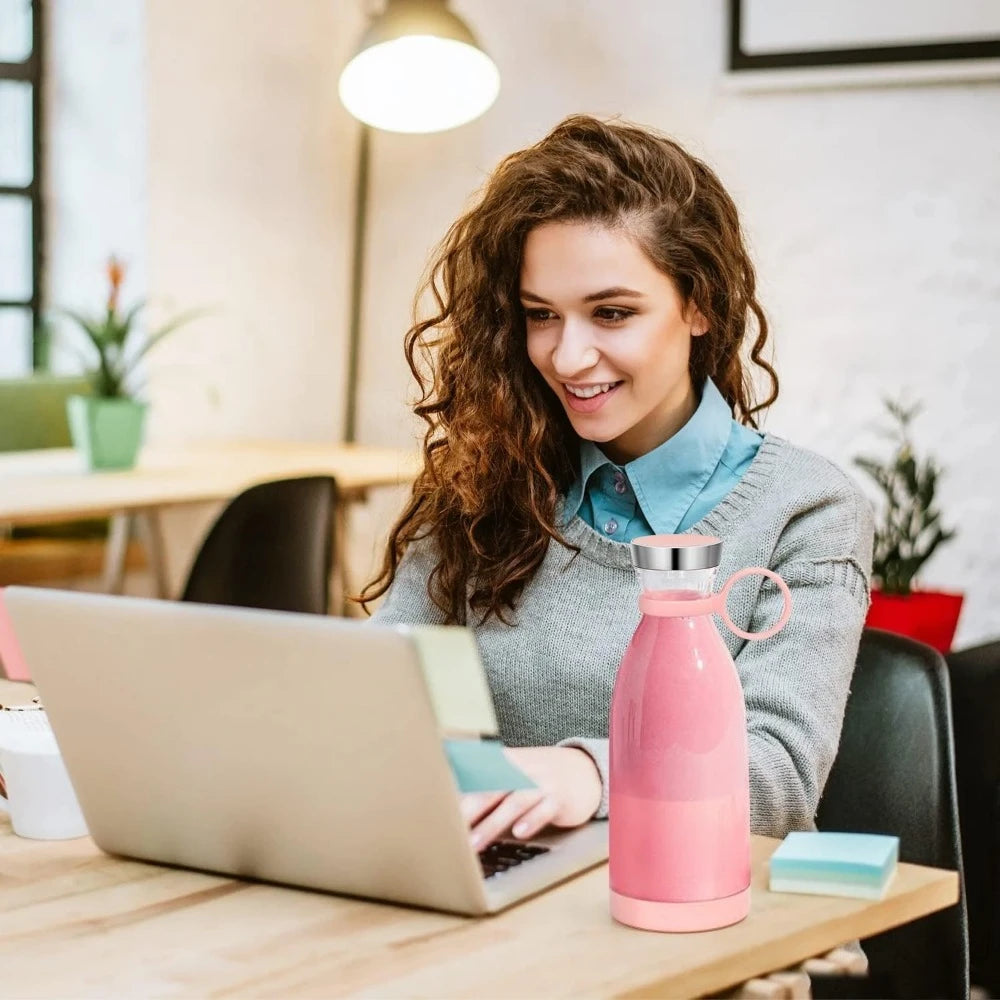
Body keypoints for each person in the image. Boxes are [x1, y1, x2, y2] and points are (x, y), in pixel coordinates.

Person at [358, 114, 875, 854]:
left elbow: (778, 777)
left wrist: (588, 774)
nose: (568, 357)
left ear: (700, 304)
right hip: (499, 885)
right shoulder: (488, 480)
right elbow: (381, 690)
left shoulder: (807, 511)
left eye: (612, 313)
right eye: (541, 315)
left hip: (699, 900)